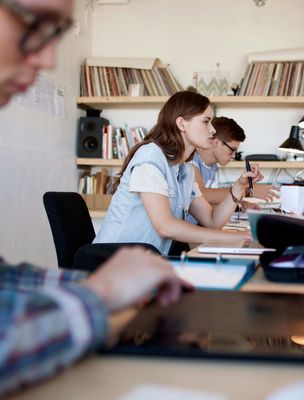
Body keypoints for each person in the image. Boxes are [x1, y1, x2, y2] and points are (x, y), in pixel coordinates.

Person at [0, 0, 187, 395]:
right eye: (33, 23)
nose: (49, 58)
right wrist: (98, 292)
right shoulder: (154, 159)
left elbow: (7, 281)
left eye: (56, 34)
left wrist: (107, 283)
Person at [93, 91, 263, 256]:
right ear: (182, 124)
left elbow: (212, 221)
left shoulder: (185, 170)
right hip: (111, 263)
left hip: (145, 263)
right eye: (206, 121)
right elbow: (165, 226)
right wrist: (236, 237)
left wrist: (239, 187)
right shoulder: (151, 157)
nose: (212, 130)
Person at [189, 116, 279, 224]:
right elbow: (203, 194)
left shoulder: (213, 166)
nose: (233, 156)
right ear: (216, 142)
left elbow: (206, 203)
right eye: (232, 150)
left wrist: (239, 204)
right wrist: (245, 190)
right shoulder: (191, 160)